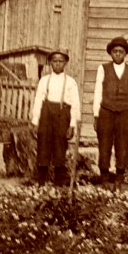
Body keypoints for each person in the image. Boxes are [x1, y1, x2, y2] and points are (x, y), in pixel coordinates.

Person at [92, 36, 128, 192]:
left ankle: (119, 180)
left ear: (125, 53)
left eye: (121, 51)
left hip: (125, 113)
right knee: (104, 146)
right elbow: (97, 93)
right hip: (106, 112)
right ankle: (105, 179)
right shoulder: (103, 69)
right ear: (110, 53)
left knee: (122, 147)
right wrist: (96, 116)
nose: (118, 54)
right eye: (115, 51)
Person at [31, 50, 80, 186]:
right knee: (43, 149)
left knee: (60, 149)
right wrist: (35, 122)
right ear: (50, 63)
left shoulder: (71, 82)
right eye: (55, 61)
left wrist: (72, 125)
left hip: (62, 116)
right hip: (46, 117)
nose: (57, 64)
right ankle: (41, 183)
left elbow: (75, 105)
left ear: (65, 63)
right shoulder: (44, 80)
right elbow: (38, 102)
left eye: (60, 61)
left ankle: (58, 184)